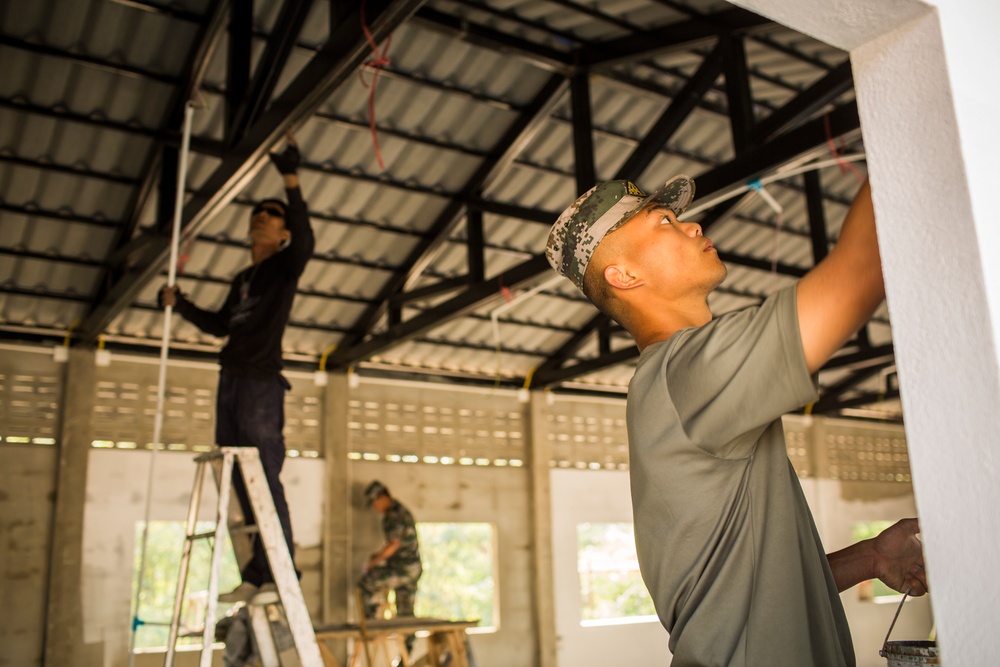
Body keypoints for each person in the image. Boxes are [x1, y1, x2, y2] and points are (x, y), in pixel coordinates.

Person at [546, 175, 927, 666]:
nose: (692, 226)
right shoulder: (688, 372)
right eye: (665, 222)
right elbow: (860, 269)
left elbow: (755, 595)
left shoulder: (677, 384)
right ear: (624, 275)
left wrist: (871, 557)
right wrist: (901, 135)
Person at [160, 133, 313, 604]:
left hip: (260, 385)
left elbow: (307, 238)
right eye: (258, 212)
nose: (262, 216)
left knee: (264, 475)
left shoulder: (285, 268)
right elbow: (221, 324)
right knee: (238, 483)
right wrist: (179, 303)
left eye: (273, 213)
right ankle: (256, 570)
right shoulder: (243, 280)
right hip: (230, 380)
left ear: (282, 232)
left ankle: (282, 569)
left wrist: (290, 179)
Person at [358, 480, 423, 624]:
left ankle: (371, 625)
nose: (375, 507)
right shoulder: (400, 510)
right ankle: (408, 645)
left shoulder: (393, 515)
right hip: (412, 569)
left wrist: (373, 563)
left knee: (366, 583)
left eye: (374, 502)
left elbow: (393, 544)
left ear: (382, 497)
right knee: (406, 615)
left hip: (402, 569)